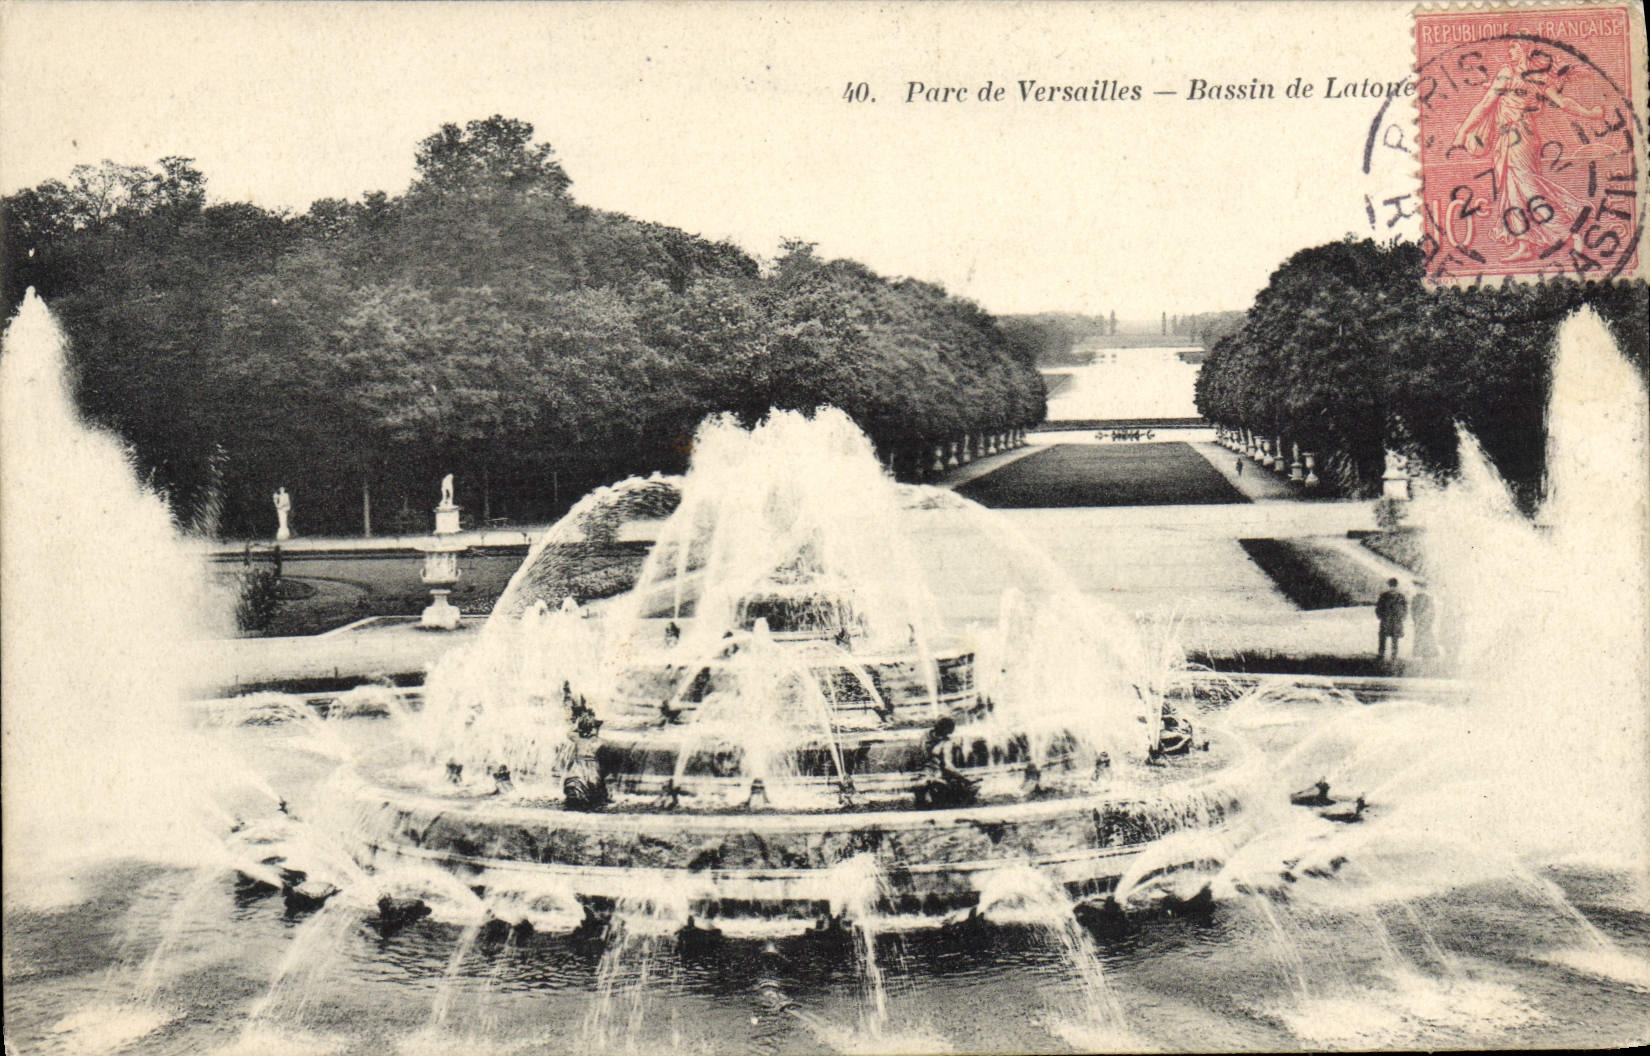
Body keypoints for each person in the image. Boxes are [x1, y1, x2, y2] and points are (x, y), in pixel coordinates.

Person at [1451, 41, 1606, 263]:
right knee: (1512, 192)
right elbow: (1562, 103)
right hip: (1514, 139)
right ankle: (1524, 245)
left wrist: (1463, 132)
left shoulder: (1510, 73)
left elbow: (1485, 105)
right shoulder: (1538, 77)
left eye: (1513, 47)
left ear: (1524, 49)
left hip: (1518, 140)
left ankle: (1571, 233)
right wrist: (1591, 114)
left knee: (1529, 190)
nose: (1509, 51)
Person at [915, 716, 978, 809]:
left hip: (924, 772)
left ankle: (927, 791)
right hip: (938, 774)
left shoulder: (925, 736)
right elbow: (948, 766)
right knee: (962, 787)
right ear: (947, 730)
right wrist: (965, 779)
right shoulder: (946, 743)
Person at [1375, 578, 1408, 663]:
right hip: (1386, 620)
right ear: (1389, 586)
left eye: (1394, 586)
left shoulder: (1401, 597)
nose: (1392, 588)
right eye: (1391, 586)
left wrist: (1403, 617)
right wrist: (1380, 616)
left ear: (1397, 586)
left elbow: (1405, 608)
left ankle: (1394, 656)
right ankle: (1381, 655)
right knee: (1382, 638)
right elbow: (1378, 607)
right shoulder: (1383, 596)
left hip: (1396, 621)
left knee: (1395, 639)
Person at [1411, 583, 1438, 660]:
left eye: (1420, 588)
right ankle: (1418, 654)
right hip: (1418, 622)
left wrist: (1429, 621)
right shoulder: (1415, 598)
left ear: (1424, 589)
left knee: (1427, 638)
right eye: (1417, 588)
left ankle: (1427, 654)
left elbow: (1432, 611)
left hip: (1425, 622)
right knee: (1418, 638)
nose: (1418, 589)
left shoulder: (1428, 598)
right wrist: (1415, 619)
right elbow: (1413, 610)